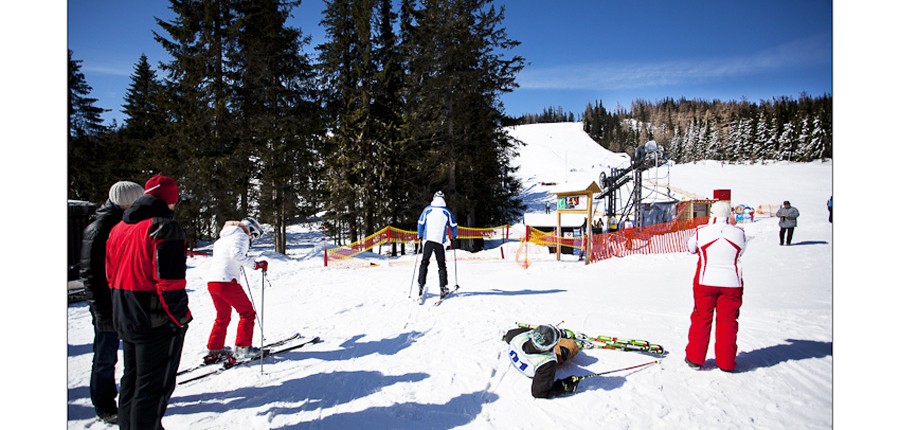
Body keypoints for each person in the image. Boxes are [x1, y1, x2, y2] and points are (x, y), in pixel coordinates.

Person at [106, 175, 192, 430]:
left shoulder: (119, 227)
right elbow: (170, 283)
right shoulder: (163, 228)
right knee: (152, 389)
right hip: (154, 318)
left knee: (132, 381)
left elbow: (109, 273)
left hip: (125, 312)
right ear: (169, 199)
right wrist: (180, 318)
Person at [79, 181, 144, 425]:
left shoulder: (125, 222)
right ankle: (104, 404)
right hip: (106, 303)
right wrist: (100, 310)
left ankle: (130, 397)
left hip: (124, 299)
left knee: (130, 353)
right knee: (105, 355)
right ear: (125, 202)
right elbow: (89, 273)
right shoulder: (99, 228)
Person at [684, 200, 747, 372]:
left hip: (706, 280)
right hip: (732, 282)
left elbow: (691, 248)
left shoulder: (702, 232)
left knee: (701, 318)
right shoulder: (739, 233)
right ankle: (726, 362)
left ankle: (695, 358)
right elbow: (741, 251)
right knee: (728, 322)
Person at [204, 218, 269, 364]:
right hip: (227, 282)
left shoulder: (221, 240)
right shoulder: (241, 236)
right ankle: (243, 348)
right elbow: (237, 255)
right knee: (247, 313)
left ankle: (214, 348)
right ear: (250, 229)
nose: (252, 239)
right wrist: (256, 265)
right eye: (254, 235)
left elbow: (229, 257)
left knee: (223, 316)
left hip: (213, 282)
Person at [502, 324, 581, 398]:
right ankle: (572, 344)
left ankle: (552, 335)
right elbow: (539, 392)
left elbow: (509, 335)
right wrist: (563, 386)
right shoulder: (546, 363)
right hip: (536, 367)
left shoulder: (518, 337)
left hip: (524, 354)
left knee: (544, 336)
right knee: (569, 347)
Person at [416, 191, 458, 299]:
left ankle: (421, 284)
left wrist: (420, 235)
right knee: (441, 265)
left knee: (424, 262)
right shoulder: (446, 211)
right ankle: (443, 287)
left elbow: (420, 223)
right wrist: (454, 236)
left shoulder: (427, 209)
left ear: (434, 198)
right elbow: (453, 225)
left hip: (428, 240)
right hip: (440, 241)